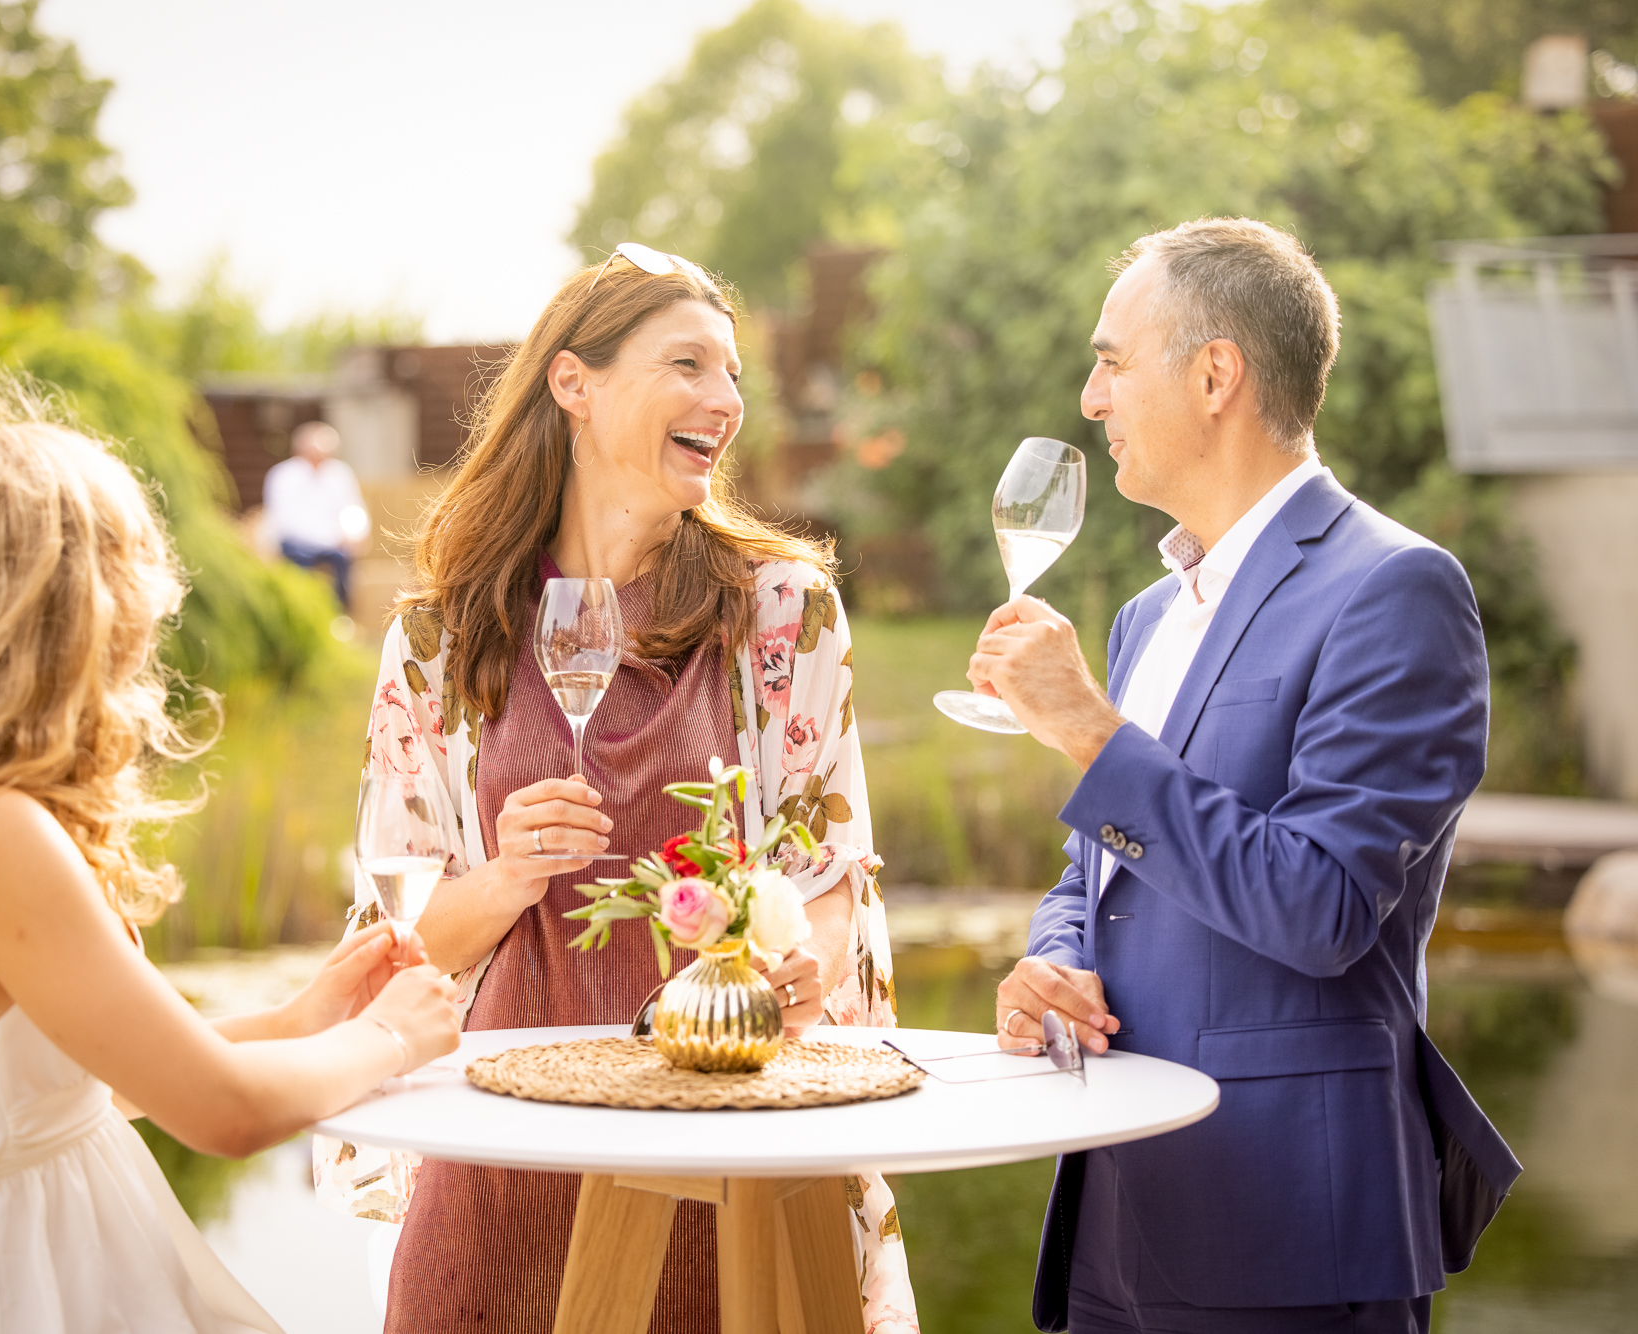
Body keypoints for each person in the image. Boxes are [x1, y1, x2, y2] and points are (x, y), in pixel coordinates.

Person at [0, 387, 460, 1333]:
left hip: (14, 1238)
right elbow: (221, 1114)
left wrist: (297, 1019)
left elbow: (74, 1085)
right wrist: (391, 1037)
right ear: (75, 610)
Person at [312, 243, 919, 1333]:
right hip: (498, 1160)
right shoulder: (437, 638)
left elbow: (828, 881)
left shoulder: (782, 611)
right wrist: (502, 875)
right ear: (572, 383)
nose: (723, 400)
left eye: (732, 374)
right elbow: (395, 946)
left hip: (723, 1144)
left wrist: (799, 976)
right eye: (687, 364)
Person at [970, 218, 1521, 1334]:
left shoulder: (1395, 589)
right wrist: (1052, 959)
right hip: (1114, 1208)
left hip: (1289, 1228)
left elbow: (1319, 906)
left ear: (1214, 373)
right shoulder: (1140, 616)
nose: (1089, 396)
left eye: (1111, 360)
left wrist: (1087, 731)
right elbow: (1096, 873)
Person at [264, 419, 370, 610]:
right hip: (297, 545)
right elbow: (287, 523)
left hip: (333, 544)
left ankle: (340, 616)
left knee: (344, 563)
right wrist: (332, 537)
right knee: (299, 566)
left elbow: (353, 508)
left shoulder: (340, 474)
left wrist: (354, 534)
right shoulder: (283, 477)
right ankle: (302, 611)